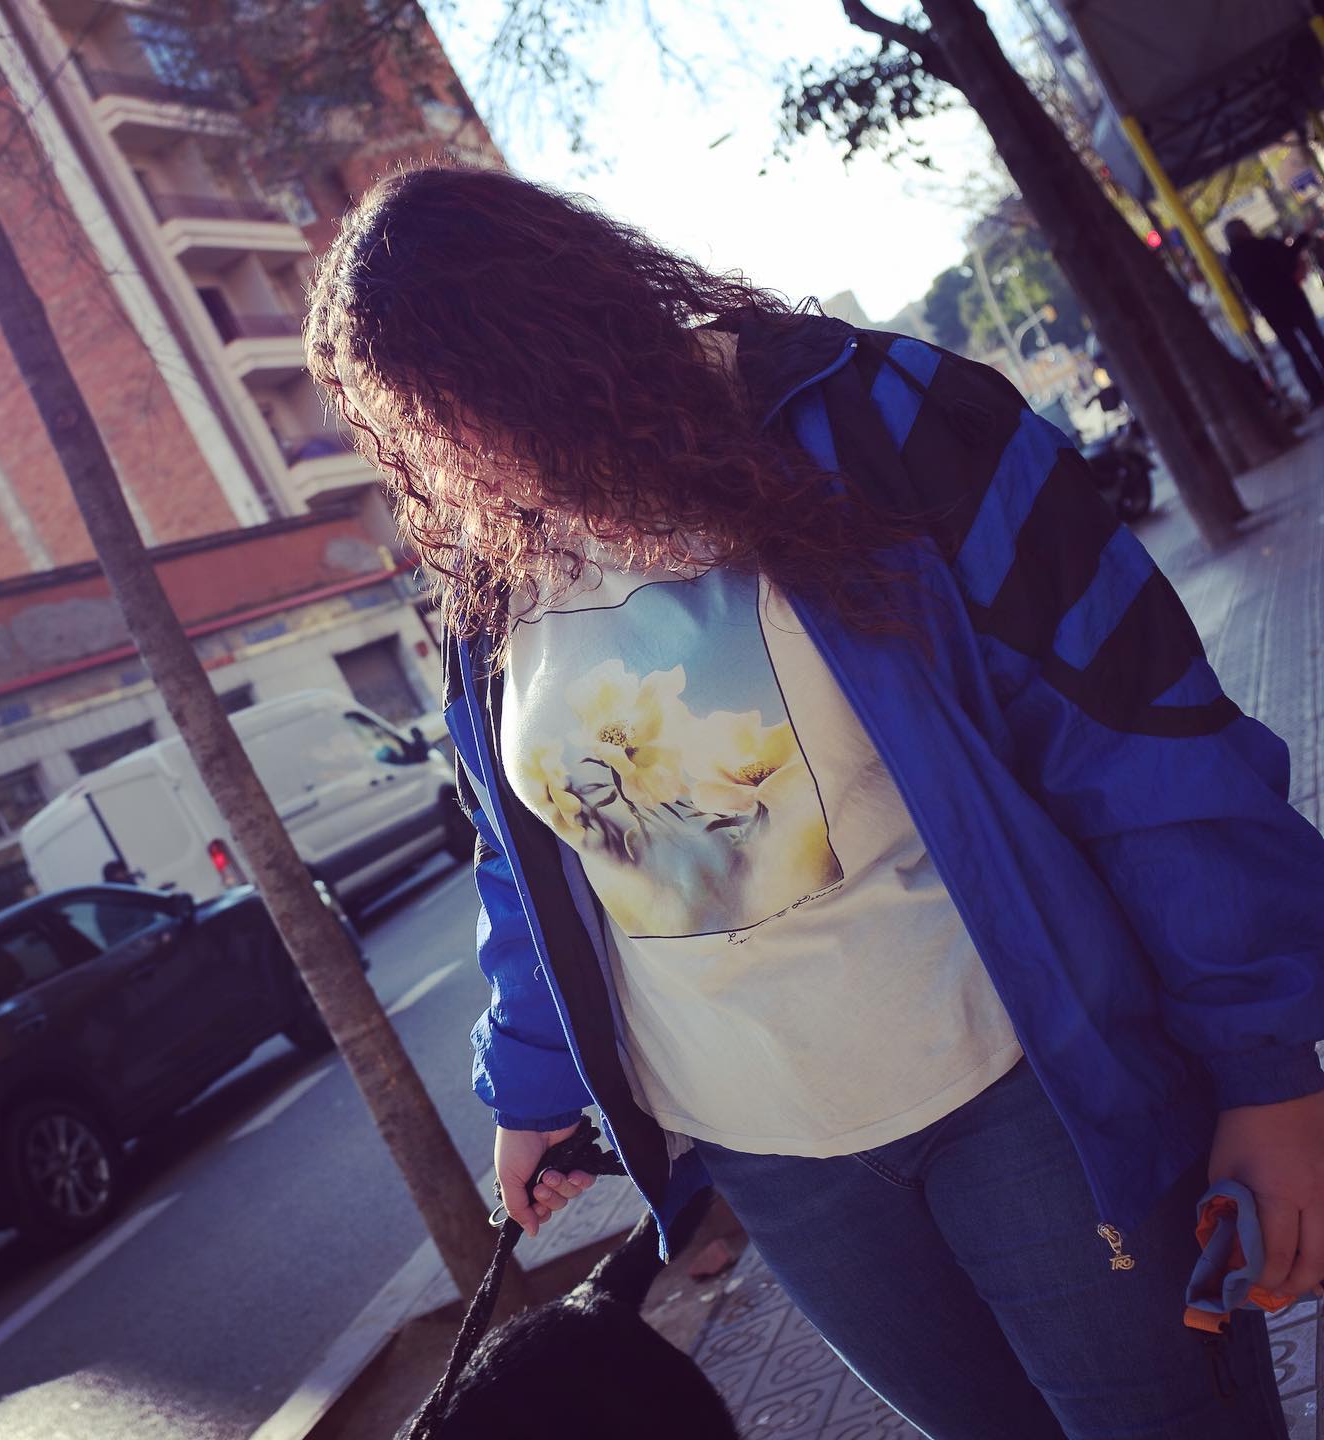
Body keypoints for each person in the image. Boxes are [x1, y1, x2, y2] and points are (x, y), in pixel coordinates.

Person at [305, 166, 1324, 1439]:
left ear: (568, 326)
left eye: (485, 400)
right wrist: (532, 1086)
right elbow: (527, 862)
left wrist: (1265, 1070)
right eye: (432, 431)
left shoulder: (877, 421)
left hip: (1031, 1100)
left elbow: (1140, 736)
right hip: (777, 1165)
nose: (476, 458)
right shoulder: (492, 587)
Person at [1225, 216, 1324, 405]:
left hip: (1271, 310)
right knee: (1315, 339)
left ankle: (1315, 390)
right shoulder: (1264, 246)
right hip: (1292, 299)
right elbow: (1289, 257)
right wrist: (1304, 235)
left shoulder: (1234, 261)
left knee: (1295, 352)